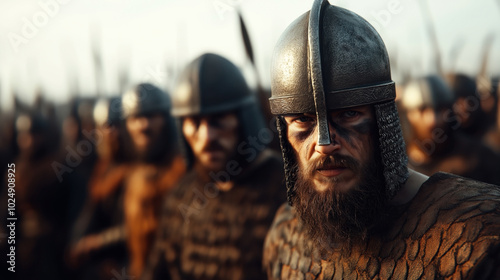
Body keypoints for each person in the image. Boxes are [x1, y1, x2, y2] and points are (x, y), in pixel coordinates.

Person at [263, 1, 500, 279]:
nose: (324, 143)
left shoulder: (481, 233)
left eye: (349, 114)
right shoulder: (284, 236)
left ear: (383, 120)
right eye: (303, 120)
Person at [143, 53, 286, 280]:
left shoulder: (288, 189)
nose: (207, 136)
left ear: (243, 119)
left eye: (218, 119)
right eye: (194, 122)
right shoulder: (181, 196)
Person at [121, 83, 186, 277]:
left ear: (166, 119)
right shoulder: (133, 173)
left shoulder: (184, 171)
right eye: (135, 118)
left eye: (150, 116)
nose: (143, 125)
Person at [400, 75, 500, 185]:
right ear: (407, 114)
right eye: (421, 110)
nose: (432, 120)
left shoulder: (480, 158)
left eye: (439, 109)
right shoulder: (396, 166)